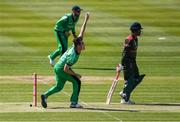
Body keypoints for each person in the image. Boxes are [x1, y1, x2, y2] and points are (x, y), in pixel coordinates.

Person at [41, 12, 89, 108]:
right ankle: (73, 103)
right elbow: (66, 69)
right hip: (61, 69)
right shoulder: (73, 55)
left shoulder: (76, 45)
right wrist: (76, 75)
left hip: (57, 67)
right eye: (82, 43)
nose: (84, 44)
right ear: (78, 45)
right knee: (77, 82)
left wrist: (86, 20)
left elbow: (81, 32)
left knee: (59, 87)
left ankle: (45, 95)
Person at [118, 22, 145, 104]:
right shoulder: (129, 40)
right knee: (130, 79)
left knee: (137, 78)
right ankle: (124, 97)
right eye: (139, 30)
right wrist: (122, 65)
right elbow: (124, 53)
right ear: (135, 30)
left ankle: (124, 92)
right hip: (127, 62)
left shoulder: (135, 39)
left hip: (133, 61)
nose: (140, 31)